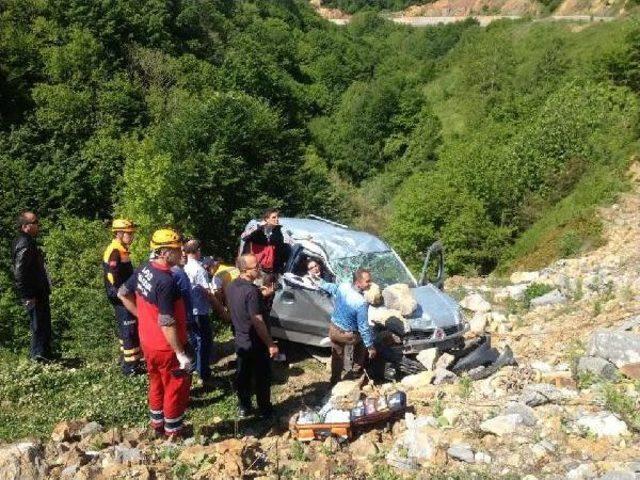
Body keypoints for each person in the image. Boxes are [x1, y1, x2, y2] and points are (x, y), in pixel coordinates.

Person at [118, 228, 192, 438]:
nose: (182, 253)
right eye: (177, 250)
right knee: (174, 387)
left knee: (156, 381)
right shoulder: (166, 282)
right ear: (164, 252)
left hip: (148, 342)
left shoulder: (144, 269)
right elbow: (167, 322)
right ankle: (173, 432)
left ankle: (157, 424)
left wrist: (143, 317)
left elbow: (123, 293)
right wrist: (180, 353)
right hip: (166, 347)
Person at [225, 254, 279, 419]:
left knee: (243, 375)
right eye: (255, 267)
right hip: (256, 341)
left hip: (241, 339)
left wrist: (263, 295)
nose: (259, 268)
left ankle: (244, 407)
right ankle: (265, 410)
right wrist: (270, 344)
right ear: (245, 270)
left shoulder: (232, 286)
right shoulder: (251, 291)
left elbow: (239, 306)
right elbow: (258, 322)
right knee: (262, 377)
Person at [319, 268, 377, 385]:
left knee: (337, 353)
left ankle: (334, 381)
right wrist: (370, 346)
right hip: (346, 335)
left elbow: (331, 287)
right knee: (362, 342)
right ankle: (356, 372)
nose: (370, 283)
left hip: (333, 329)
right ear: (358, 282)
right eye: (367, 281)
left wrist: (320, 283)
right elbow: (363, 327)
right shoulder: (361, 302)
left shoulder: (343, 286)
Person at [11, 211, 54, 362]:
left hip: (38, 292)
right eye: (35, 222)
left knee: (43, 324)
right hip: (33, 294)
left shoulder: (27, 241)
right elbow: (20, 272)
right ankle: (38, 359)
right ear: (25, 226)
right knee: (38, 325)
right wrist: (27, 295)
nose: (38, 225)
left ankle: (45, 356)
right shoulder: (24, 243)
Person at [102, 218, 142, 375]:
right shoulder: (115, 251)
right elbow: (112, 277)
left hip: (122, 295)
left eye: (132, 233)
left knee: (126, 328)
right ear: (118, 233)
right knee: (129, 329)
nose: (131, 236)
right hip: (121, 297)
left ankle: (125, 359)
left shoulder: (121, 248)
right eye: (128, 233)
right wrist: (122, 293)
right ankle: (130, 368)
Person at [183, 239, 215, 384]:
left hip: (189, 310)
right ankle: (204, 374)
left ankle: (196, 368)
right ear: (197, 252)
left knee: (195, 341)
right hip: (200, 311)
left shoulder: (184, 267)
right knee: (205, 341)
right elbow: (206, 290)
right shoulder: (199, 269)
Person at [240, 208, 288, 274]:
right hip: (254, 267)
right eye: (274, 217)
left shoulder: (278, 231)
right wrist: (258, 227)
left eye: (277, 217)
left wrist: (277, 270)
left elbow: (279, 250)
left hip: (269, 269)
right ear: (267, 219)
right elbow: (243, 237)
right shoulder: (257, 228)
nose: (277, 219)